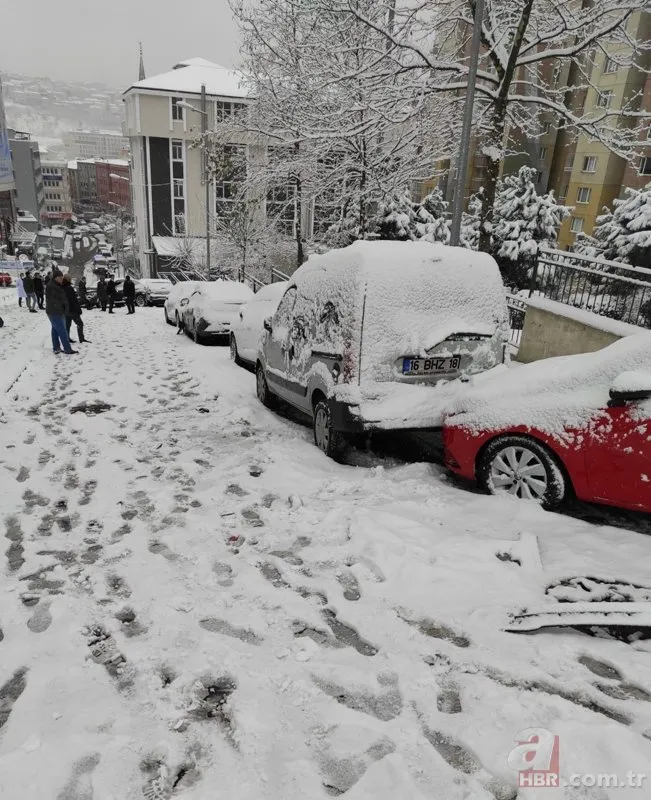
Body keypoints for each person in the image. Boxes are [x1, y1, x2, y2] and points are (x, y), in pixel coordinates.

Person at [45, 270, 77, 355]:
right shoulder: (52, 286)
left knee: (55, 330)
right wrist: (63, 306)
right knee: (62, 331)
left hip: (57, 311)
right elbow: (57, 300)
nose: (61, 279)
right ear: (55, 277)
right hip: (55, 312)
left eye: (62, 278)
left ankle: (56, 348)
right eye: (60, 278)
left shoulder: (56, 285)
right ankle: (67, 349)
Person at [62, 274, 89, 344]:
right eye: (70, 278)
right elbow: (73, 300)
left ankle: (67, 338)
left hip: (66, 310)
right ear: (68, 279)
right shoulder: (69, 288)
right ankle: (81, 338)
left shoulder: (62, 287)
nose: (71, 279)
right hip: (72, 310)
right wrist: (78, 310)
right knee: (80, 323)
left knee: (67, 325)